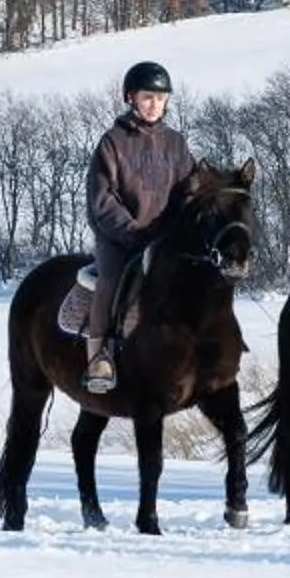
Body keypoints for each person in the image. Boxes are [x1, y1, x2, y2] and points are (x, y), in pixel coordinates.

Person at [83, 61, 196, 394]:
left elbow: (189, 191)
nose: (154, 105)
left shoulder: (176, 143)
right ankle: (100, 356)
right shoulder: (112, 143)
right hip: (120, 239)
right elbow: (102, 202)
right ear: (131, 97)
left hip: (164, 240)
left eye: (161, 99)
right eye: (148, 97)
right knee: (112, 277)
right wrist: (134, 233)